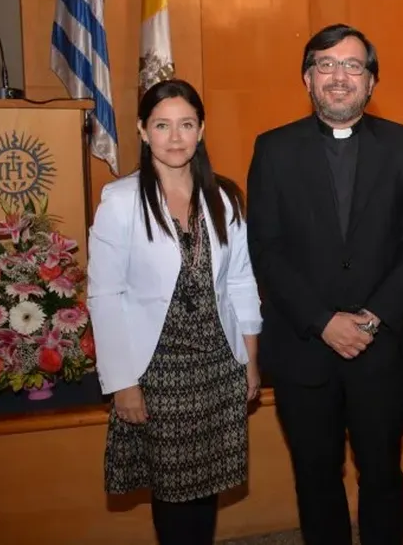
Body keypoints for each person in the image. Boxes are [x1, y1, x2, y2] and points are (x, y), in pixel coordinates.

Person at [246, 24, 403, 545]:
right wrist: (323, 320)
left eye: (353, 66)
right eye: (326, 65)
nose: (339, 77)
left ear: (371, 83)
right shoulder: (274, 149)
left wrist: (373, 317)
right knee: (315, 477)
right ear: (308, 78)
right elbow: (265, 247)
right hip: (304, 345)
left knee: (382, 473)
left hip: (384, 346)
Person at [87, 79, 262, 545]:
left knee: (205, 488)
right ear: (144, 131)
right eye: (162, 125)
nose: (176, 136)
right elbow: (103, 297)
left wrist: (250, 359)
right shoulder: (121, 201)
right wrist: (123, 383)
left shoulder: (224, 198)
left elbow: (241, 281)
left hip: (218, 363)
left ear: (201, 129)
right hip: (158, 371)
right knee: (173, 492)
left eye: (186, 124)